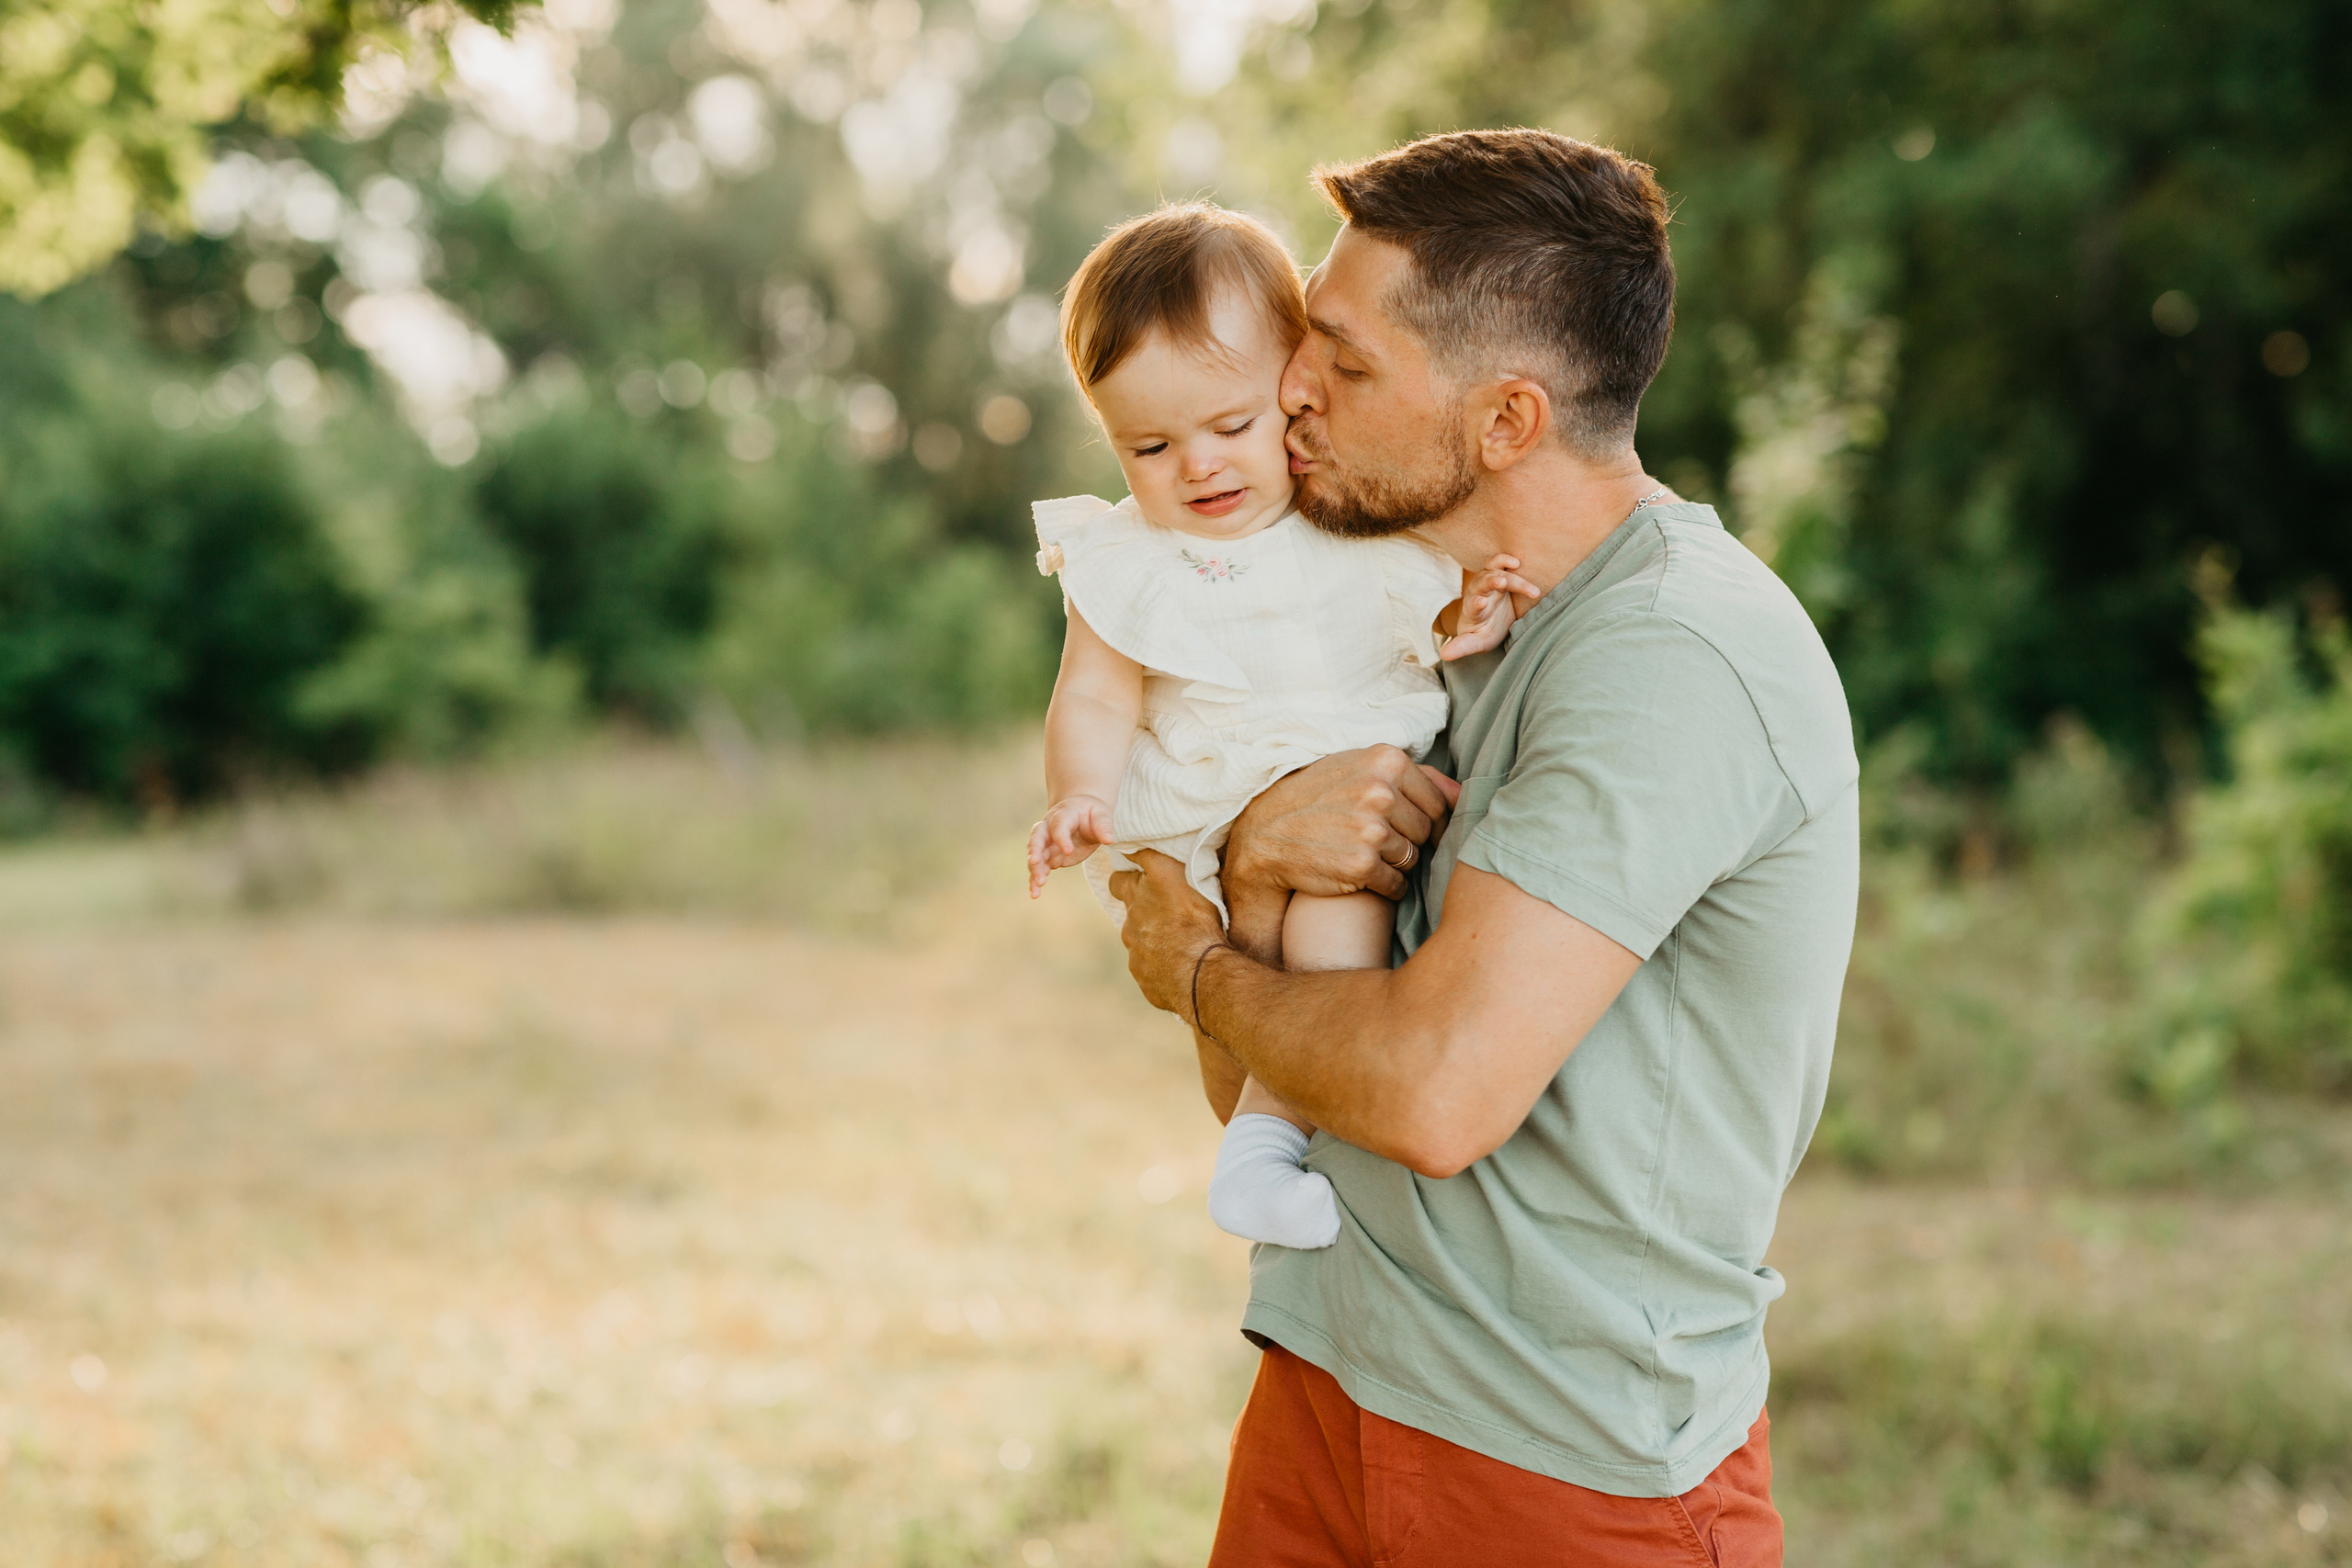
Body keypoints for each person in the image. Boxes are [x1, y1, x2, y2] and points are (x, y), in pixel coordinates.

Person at [1107, 130, 1860, 1565]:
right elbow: (1278, 1100)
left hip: (1565, 1467)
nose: (1289, 392)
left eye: (1345, 359)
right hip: (1331, 1385)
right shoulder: (1425, 631)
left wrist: (1197, 964)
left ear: (1508, 417)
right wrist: (1260, 869)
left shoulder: (1672, 652)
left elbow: (1433, 1093)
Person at [1023, 202, 1536, 1249]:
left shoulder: (1347, 520)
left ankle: (1267, 1142)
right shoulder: (1127, 562)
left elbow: (1412, 620)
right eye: (1150, 446)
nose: (1197, 468)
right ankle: (1275, 1141)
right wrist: (1078, 794)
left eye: (1229, 428)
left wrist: (1463, 621)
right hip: (1217, 798)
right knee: (1327, 941)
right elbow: (1092, 693)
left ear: (1291, 393)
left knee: (1331, 927)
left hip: (1346, 769)